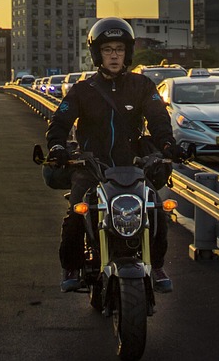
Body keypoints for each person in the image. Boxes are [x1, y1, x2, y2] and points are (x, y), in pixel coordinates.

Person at [45, 17, 183, 294]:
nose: (114, 55)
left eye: (119, 49)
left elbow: (158, 120)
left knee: (155, 210)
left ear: (127, 52)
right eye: (108, 49)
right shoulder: (83, 90)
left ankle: (155, 264)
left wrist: (168, 146)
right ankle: (71, 266)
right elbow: (59, 123)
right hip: (92, 167)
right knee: (76, 214)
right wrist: (58, 147)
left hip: (132, 167)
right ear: (98, 54)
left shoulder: (142, 86)